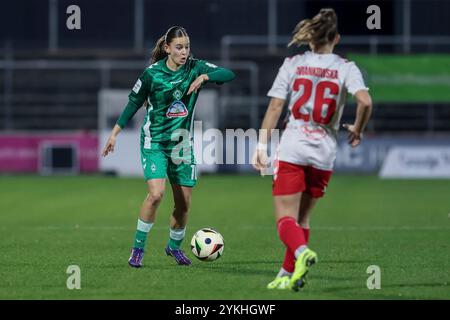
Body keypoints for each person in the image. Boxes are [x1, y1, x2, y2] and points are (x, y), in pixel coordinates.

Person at [252, 8, 372, 291]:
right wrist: (358, 129)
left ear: (310, 39)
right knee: (303, 218)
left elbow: (275, 106)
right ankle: (287, 274)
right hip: (324, 151)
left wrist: (261, 145)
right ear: (336, 38)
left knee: (285, 218)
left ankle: (301, 253)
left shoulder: (294, 63)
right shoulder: (346, 67)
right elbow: (365, 102)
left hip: (294, 146)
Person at [102, 26, 235, 268]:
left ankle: (173, 248)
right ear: (167, 48)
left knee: (183, 203)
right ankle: (138, 249)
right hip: (155, 142)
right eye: (179, 47)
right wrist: (115, 133)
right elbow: (133, 103)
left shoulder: (195, 67)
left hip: (182, 144)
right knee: (156, 194)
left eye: (187, 47)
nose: (184, 52)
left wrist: (205, 77)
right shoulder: (152, 74)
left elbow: (229, 74)